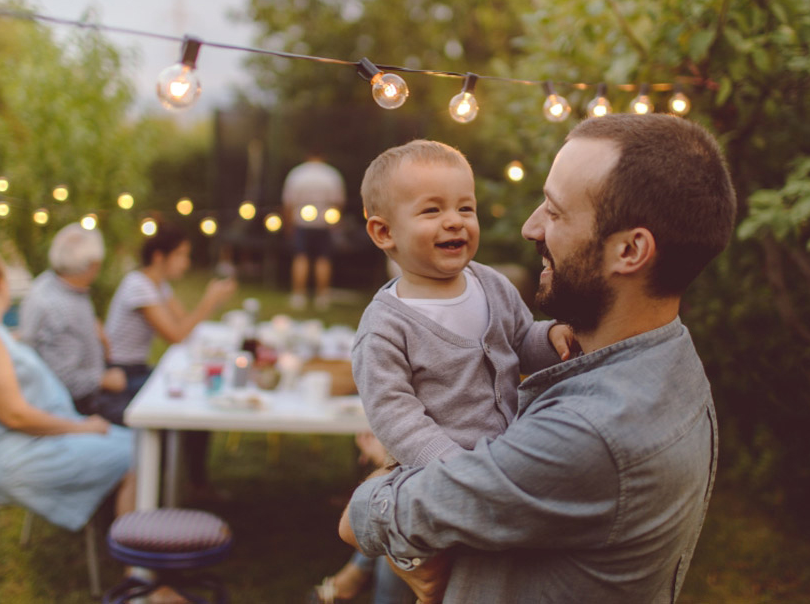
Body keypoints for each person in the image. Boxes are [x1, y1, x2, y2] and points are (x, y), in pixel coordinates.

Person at [339, 113, 737, 603]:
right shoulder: (670, 360)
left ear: (630, 250)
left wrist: (379, 488)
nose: (530, 227)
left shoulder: (590, 434)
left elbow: (359, 520)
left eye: (554, 211)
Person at [312, 140, 572, 604]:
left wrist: (550, 339)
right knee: (422, 578)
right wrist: (449, 464)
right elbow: (394, 414)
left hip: (500, 466)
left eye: (465, 207)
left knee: (483, 574)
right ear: (383, 232)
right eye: (432, 210)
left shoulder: (491, 285)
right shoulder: (386, 325)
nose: (454, 220)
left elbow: (520, 342)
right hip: (437, 477)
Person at [0, 250, 136, 532]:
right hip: (17, 455)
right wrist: (80, 427)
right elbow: (14, 416)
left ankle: (129, 541)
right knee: (140, 453)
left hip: (27, 445)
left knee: (138, 441)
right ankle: (139, 567)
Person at [103, 223, 236, 496]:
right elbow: (176, 335)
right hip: (121, 373)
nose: (186, 264)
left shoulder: (158, 286)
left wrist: (206, 306)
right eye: (181, 255)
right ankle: (182, 483)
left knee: (198, 393)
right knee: (191, 397)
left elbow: (184, 326)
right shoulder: (138, 286)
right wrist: (208, 302)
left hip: (136, 368)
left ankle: (191, 480)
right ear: (159, 257)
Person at [19, 223, 127, 422]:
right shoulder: (58, 307)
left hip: (87, 391)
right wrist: (103, 380)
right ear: (93, 265)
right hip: (76, 408)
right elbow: (61, 379)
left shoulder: (50, 283)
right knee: (152, 418)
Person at [282, 151, 346, 311]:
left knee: (300, 257)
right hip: (324, 223)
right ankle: (322, 297)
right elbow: (338, 203)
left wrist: (288, 225)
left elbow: (288, 203)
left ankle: (298, 295)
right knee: (323, 259)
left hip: (301, 222)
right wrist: (335, 223)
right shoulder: (331, 175)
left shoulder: (297, 174)